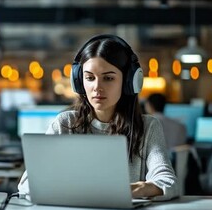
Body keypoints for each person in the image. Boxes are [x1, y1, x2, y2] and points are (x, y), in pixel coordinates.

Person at [18, 34, 178, 200]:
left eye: (108, 78)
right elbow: (27, 184)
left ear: (129, 82)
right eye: (89, 78)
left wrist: (127, 190)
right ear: (79, 82)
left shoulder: (148, 126)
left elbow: (168, 182)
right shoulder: (65, 124)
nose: (97, 87)